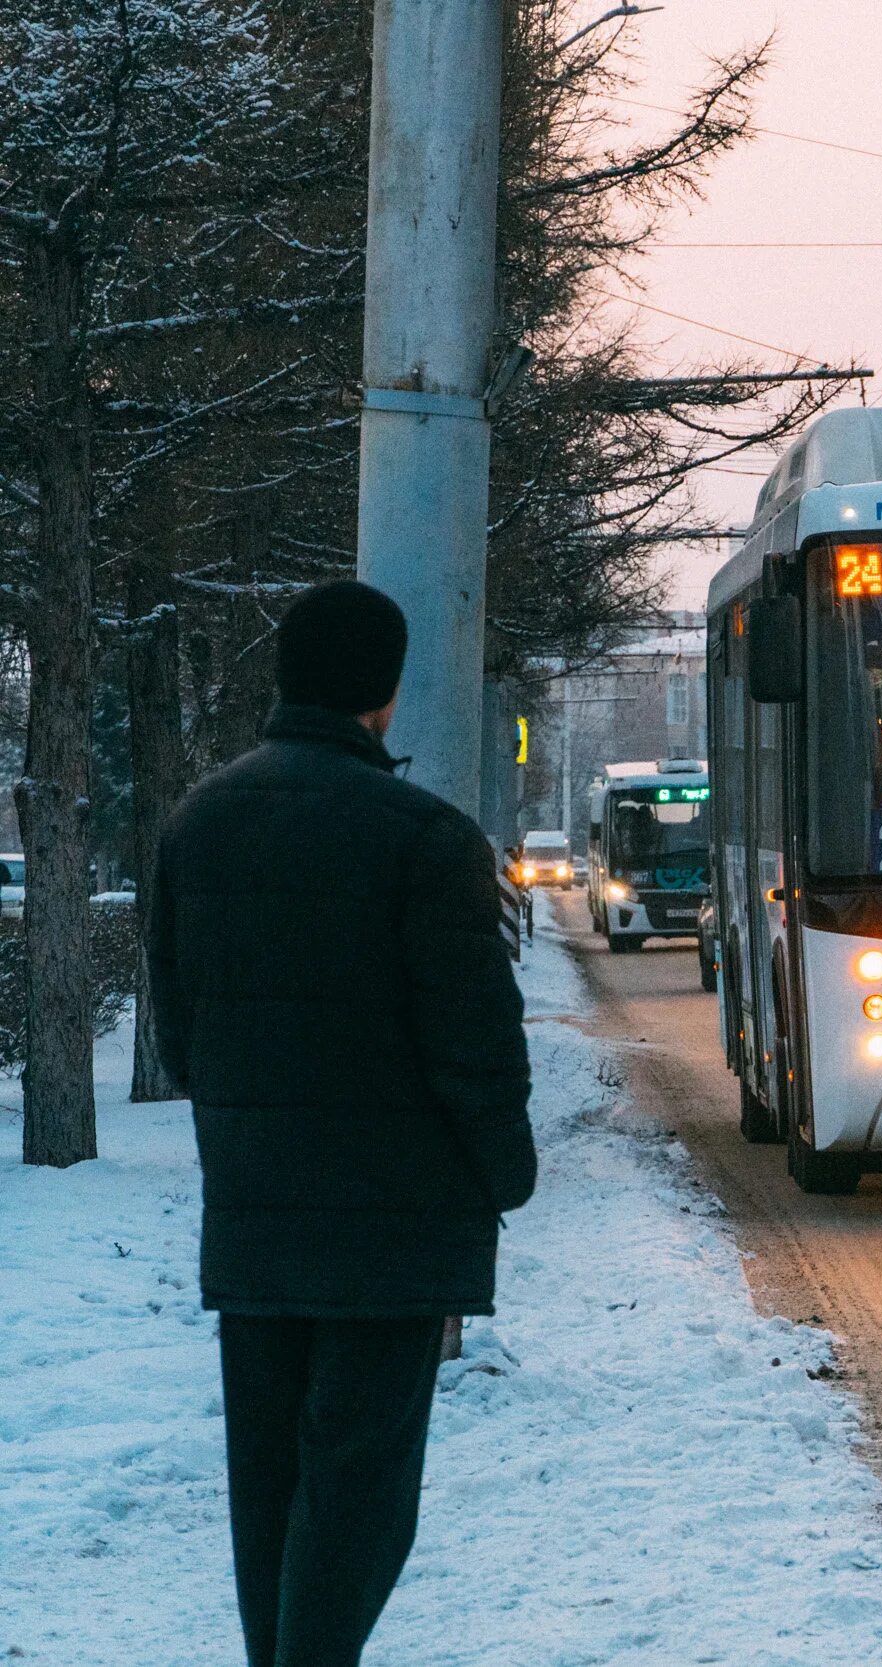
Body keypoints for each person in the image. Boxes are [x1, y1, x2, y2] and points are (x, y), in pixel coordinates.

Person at [146, 580, 535, 1667]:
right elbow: (474, 1043)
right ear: (388, 692)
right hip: (392, 1231)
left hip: (258, 1218)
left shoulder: (200, 820)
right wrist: (503, 1173)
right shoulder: (426, 838)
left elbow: (183, 1037)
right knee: (362, 1496)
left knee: (266, 1490)